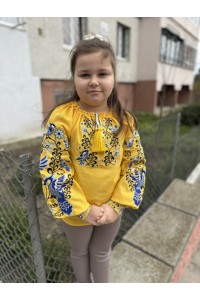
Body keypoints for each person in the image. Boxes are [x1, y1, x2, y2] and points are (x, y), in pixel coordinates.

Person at [39, 33, 146, 283]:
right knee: (79, 251)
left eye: (102, 74)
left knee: (101, 253)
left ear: (114, 77)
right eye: (85, 74)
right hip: (77, 210)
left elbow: (134, 164)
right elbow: (54, 167)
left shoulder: (125, 120)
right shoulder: (62, 118)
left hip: (112, 208)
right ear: (74, 77)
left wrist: (115, 206)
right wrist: (83, 210)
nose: (94, 81)